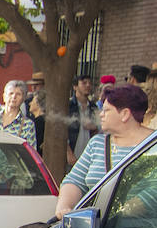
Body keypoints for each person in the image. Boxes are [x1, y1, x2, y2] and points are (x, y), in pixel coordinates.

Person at [56, 83, 152, 217]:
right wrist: (64, 208)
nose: (101, 115)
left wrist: (117, 213)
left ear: (125, 114)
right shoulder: (97, 143)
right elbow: (74, 181)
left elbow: (152, 193)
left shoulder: (152, 145)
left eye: (106, 110)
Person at [0, 80, 37, 147]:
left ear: (23, 99)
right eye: (11, 93)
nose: (14, 97)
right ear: (4, 96)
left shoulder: (27, 125)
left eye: (18, 94)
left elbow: (30, 151)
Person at [67, 75, 100, 163]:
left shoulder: (93, 107)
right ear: (75, 87)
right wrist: (68, 153)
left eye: (90, 83)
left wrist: (95, 127)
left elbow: (99, 130)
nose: (88, 85)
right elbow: (62, 131)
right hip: (73, 154)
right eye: (84, 83)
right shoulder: (69, 106)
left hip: (88, 155)